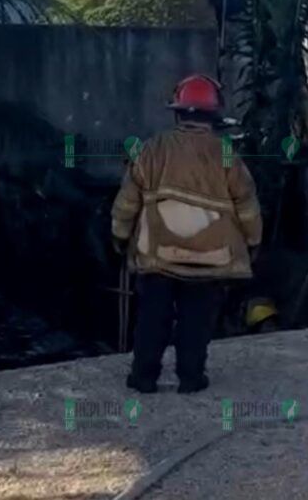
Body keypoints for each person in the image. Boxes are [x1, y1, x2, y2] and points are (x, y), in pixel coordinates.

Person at [111, 74, 262, 394]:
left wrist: (120, 236)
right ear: (213, 115)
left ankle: (143, 377)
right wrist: (253, 242)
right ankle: (191, 378)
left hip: (158, 256)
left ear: (178, 112)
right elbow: (247, 205)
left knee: (153, 318)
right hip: (211, 258)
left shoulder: (152, 149)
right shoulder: (225, 154)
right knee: (197, 322)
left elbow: (126, 202)